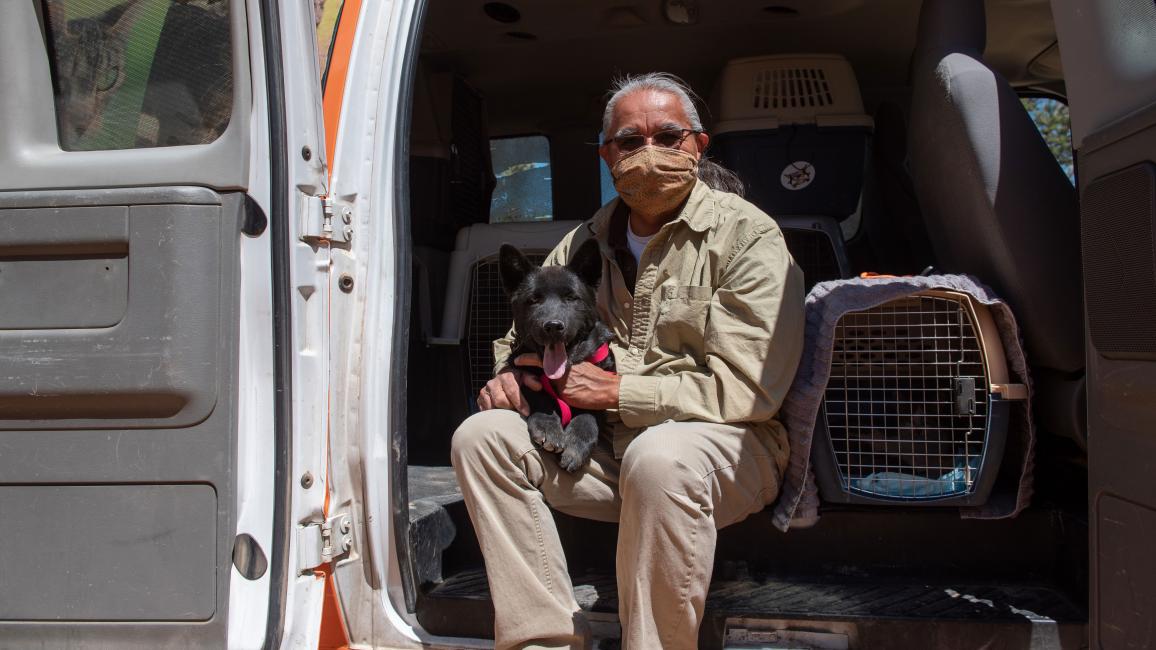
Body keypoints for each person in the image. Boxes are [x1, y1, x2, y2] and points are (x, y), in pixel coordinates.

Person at [452, 72, 805, 650]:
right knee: (481, 437)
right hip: (607, 451)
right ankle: (546, 638)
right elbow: (528, 320)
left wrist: (619, 393)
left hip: (723, 452)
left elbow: (750, 391)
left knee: (659, 456)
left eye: (669, 137)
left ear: (698, 145)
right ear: (606, 155)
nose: (650, 154)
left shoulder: (748, 238)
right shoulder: (588, 238)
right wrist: (512, 377)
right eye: (629, 141)